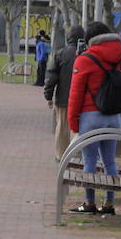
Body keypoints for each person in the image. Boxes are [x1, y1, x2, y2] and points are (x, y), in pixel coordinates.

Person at [67, 21, 121, 215]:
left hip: (91, 117)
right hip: (113, 117)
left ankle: (89, 202)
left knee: (89, 161)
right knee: (109, 161)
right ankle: (109, 204)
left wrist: (73, 122)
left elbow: (75, 94)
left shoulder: (85, 59)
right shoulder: (118, 55)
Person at [44, 24, 85, 160]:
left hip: (63, 97)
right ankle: (77, 154)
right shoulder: (86, 54)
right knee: (79, 127)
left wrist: (48, 95)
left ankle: (61, 155)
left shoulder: (60, 54)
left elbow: (51, 77)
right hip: (82, 99)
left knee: (62, 126)